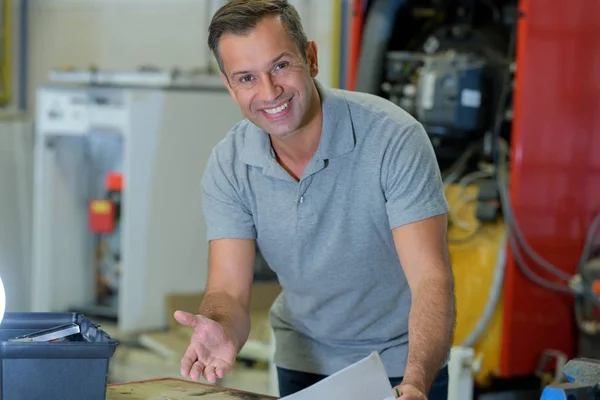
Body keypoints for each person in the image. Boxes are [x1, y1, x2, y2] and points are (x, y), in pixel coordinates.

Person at [174, 1, 456, 399]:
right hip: (304, 359)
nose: (269, 91)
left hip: (401, 361)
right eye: (247, 77)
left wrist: (415, 381)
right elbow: (229, 292)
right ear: (230, 86)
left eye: (280, 66)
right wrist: (219, 325)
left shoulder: (393, 139)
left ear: (310, 58)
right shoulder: (229, 163)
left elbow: (431, 278)